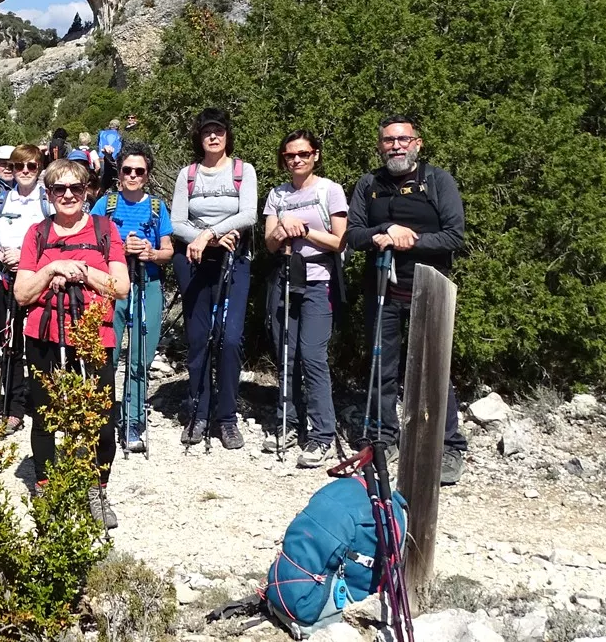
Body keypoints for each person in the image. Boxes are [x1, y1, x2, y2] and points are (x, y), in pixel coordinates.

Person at [344, 115, 468, 485]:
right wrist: (386, 229)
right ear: (380, 145)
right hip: (382, 289)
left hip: (429, 290)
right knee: (381, 368)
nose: (396, 146)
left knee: (433, 369)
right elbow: (354, 235)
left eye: (403, 139)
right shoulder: (369, 184)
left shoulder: (438, 181)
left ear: (417, 143)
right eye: (388, 140)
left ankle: (447, 446)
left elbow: (454, 236)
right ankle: (385, 437)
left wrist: (409, 240)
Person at [14, 160, 130, 529]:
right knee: (45, 415)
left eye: (76, 188)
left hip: (95, 335)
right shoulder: (36, 233)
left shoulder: (105, 230)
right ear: (48, 194)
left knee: (102, 420)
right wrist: (51, 269)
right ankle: (46, 490)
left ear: (86, 192)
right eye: (59, 189)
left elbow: (121, 286)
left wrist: (81, 270)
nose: (68, 195)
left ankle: (98, 490)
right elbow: (21, 293)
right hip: (44, 335)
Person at [170, 108, 258, 449]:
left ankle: (227, 418)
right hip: (193, 261)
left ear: (227, 135)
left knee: (230, 337)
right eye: (207, 131)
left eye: (218, 130)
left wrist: (210, 235)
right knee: (198, 337)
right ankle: (199, 412)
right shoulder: (188, 174)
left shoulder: (243, 171)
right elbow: (177, 222)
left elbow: (248, 214)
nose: (213, 136)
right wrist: (206, 239)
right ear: (199, 136)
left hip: (234, 260)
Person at [262, 130, 349, 468]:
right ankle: (289, 422)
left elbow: (340, 241)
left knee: (313, 356)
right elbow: (270, 243)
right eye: (290, 155)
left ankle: (322, 433)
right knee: (287, 354)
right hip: (285, 279)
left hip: (319, 281)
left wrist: (305, 231)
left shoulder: (330, 191)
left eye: (303, 153)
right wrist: (281, 230)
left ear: (316, 155)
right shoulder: (277, 195)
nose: (296, 159)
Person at [91, 143, 173, 454]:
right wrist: (119, 250)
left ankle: (133, 420)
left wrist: (151, 253)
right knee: (107, 355)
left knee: (141, 357)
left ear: (147, 175)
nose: (133, 175)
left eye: (140, 171)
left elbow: (168, 250)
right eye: (127, 170)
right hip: (112, 286)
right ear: (119, 173)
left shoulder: (157, 208)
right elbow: (90, 245)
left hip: (147, 283)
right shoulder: (106, 204)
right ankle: (101, 417)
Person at [0, 144, 50, 430]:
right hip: (6, 281)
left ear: (39, 168)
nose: (24, 171)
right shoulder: (1, 201)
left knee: (40, 343)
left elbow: (56, 240)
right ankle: (13, 407)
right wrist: (1, 256)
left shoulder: (48, 201)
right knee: (10, 344)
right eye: (18, 166)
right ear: (11, 170)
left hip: (39, 283)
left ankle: (42, 402)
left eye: (31, 166)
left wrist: (25, 257)